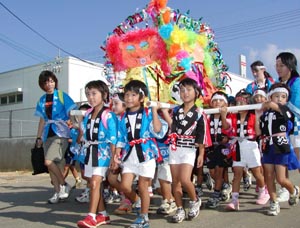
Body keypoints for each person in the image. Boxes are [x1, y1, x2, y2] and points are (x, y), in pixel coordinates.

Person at [112, 80, 168, 228]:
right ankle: (137, 201)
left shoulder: (148, 113)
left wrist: (155, 111)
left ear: (142, 98)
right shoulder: (122, 117)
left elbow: (158, 130)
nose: (129, 98)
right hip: (129, 155)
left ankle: (144, 218)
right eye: (127, 95)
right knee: (124, 186)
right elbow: (121, 137)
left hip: (146, 154)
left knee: (143, 185)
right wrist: (117, 153)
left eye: (133, 95)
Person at [162, 78, 206, 223]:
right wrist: (164, 112)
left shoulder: (200, 113)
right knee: (175, 181)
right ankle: (180, 208)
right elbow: (172, 127)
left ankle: (195, 200)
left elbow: (201, 135)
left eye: (188, 89)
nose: (185, 93)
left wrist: (201, 153)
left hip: (189, 149)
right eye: (182, 90)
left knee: (185, 179)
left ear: (196, 92)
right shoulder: (175, 110)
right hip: (175, 147)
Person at [77, 80, 118, 228]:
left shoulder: (109, 115)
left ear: (104, 94)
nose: (91, 97)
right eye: (88, 94)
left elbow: (113, 138)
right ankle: (103, 214)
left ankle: (91, 217)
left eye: (94, 93)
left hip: (103, 153)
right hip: (89, 152)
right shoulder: (88, 113)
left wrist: (114, 157)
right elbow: (83, 134)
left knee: (95, 182)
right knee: (94, 184)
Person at [256, 82, 300, 216]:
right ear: (271, 97)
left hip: (281, 145)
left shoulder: (285, 110)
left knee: (281, 178)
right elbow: (258, 132)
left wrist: (270, 104)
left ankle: (293, 191)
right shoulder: (265, 114)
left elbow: (283, 112)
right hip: (267, 145)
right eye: (276, 96)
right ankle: (273, 202)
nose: (280, 99)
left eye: (283, 96)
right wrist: (258, 117)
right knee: (268, 175)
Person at [35, 70, 77, 204]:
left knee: (48, 161)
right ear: (42, 84)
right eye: (46, 82)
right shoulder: (42, 100)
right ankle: (57, 192)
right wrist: (38, 138)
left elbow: (72, 112)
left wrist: (74, 128)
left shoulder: (62, 96)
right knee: (53, 166)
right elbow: (42, 120)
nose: (49, 84)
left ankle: (65, 185)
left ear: (55, 82)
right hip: (48, 134)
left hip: (61, 133)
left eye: (51, 81)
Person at [225, 89, 270, 211]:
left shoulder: (254, 115)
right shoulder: (233, 116)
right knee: (237, 174)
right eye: (237, 102)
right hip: (238, 146)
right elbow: (226, 128)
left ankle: (263, 191)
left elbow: (258, 133)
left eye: (242, 102)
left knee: (256, 172)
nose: (239, 105)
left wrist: (257, 117)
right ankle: (234, 201)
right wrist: (224, 116)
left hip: (251, 145)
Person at [276, 52, 300, 201]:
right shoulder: (277, 85)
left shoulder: (296, 82)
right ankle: (285, 189)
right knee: (281, 160)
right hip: (279, 129)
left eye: (282, 65)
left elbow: (296, 107)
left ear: (290, 66)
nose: (278, 68)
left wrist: (277, 106)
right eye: (277, 65)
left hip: (296, 128)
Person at [205, 91, 233, 209]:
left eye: (220, 100)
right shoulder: (207, 115)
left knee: (219, 170)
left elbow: (228, 128)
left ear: (225, 103)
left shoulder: (229, 115)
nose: (217, 103)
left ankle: (216, 194)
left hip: (223, 147)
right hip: (211, 147)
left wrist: (223, 115)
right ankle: (225, 186)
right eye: (215, 100)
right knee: (212, 172)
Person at [74, 103, 92, 204]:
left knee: (88, 174)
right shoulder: (81, 124)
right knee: (85, 174)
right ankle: (88, 191)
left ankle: (89, 192)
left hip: (89, 151)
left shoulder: (90, 123)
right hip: (82, 151)